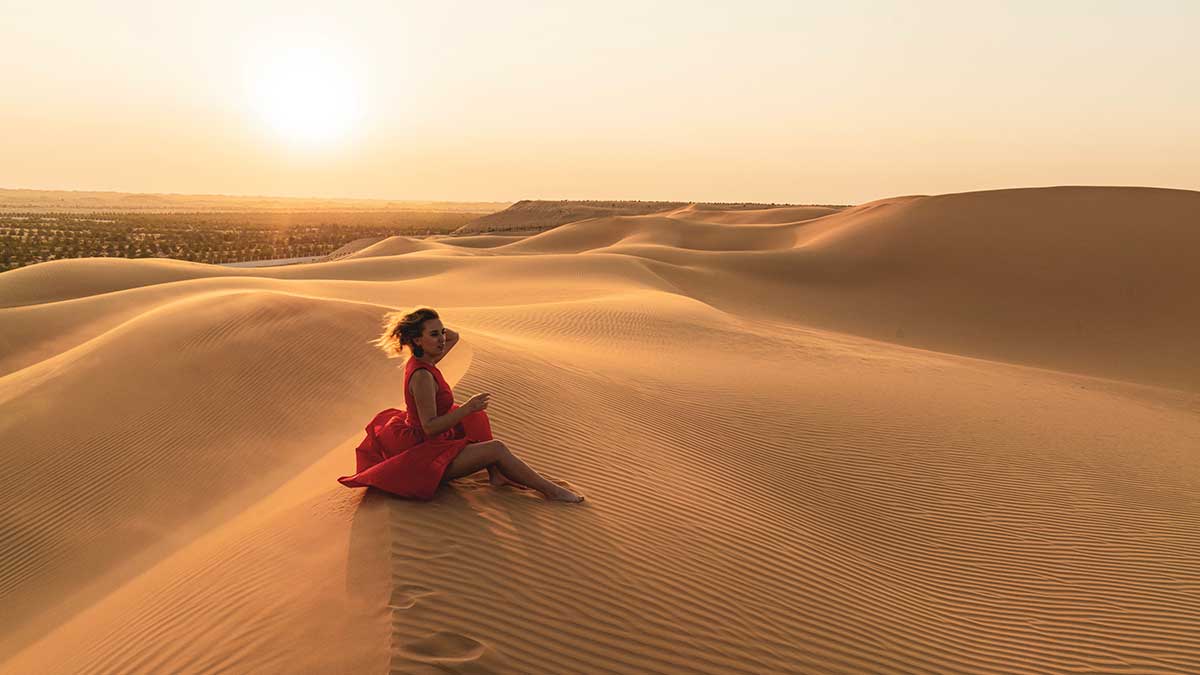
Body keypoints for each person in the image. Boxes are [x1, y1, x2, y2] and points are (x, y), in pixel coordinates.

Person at [337, 307, 585, 503]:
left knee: (473, 417)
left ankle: (497, 475)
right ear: (417, 340)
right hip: (424, 451)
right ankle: (550, 491)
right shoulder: (422, 376)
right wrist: (468, 407)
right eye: (434, 334)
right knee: (496, 447)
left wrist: (430, 323)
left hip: (430, 433)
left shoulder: (426, 359)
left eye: (441, 331)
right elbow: (430, 427)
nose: (443, 338)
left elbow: (455, 337)